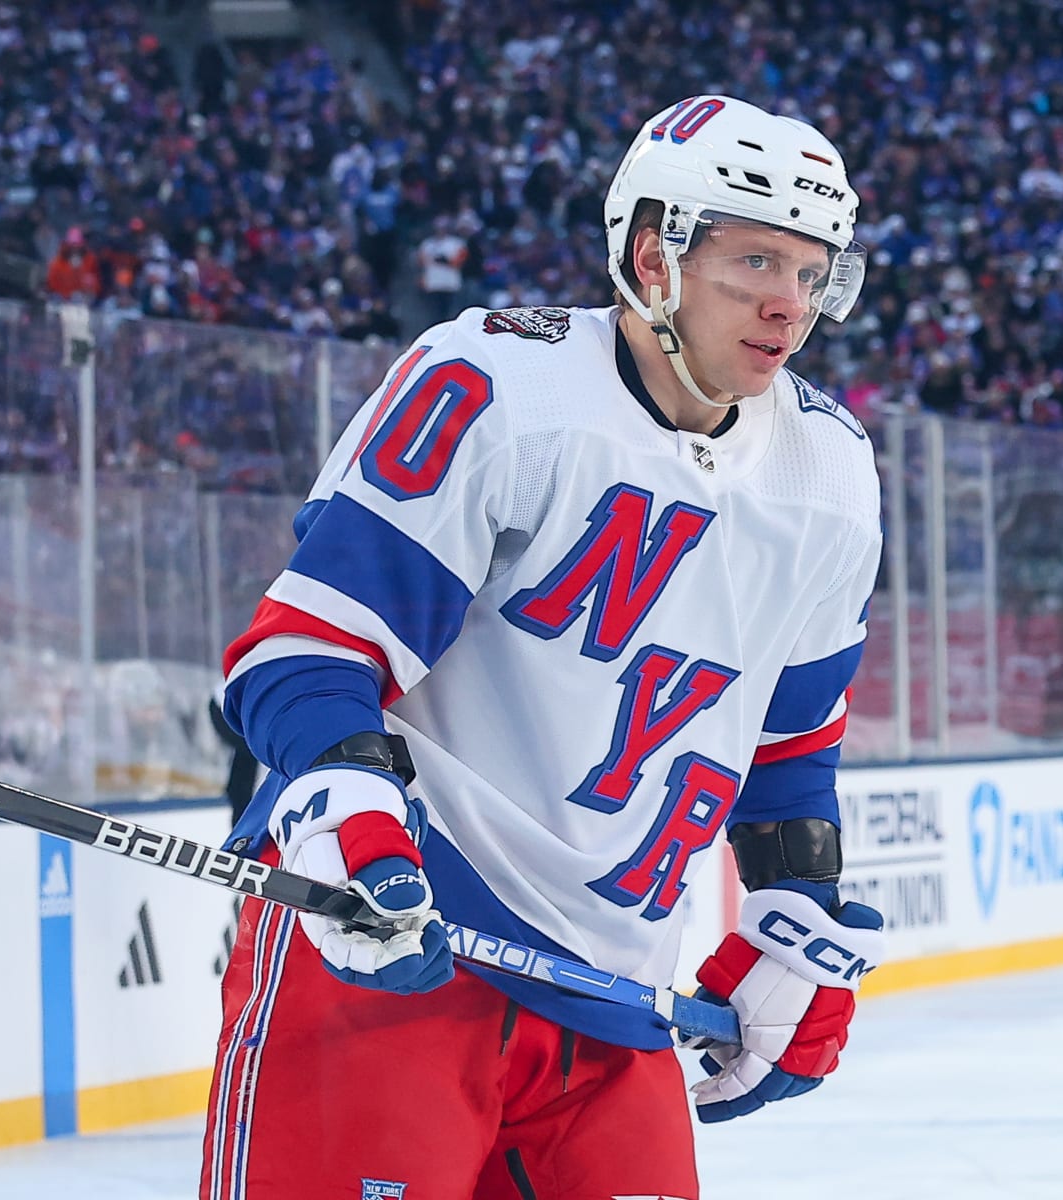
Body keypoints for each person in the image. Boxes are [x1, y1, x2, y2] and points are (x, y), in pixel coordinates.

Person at [207, 95, 887, 1196]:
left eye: (814, 274)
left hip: (616, 995)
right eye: (756, 259)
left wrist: (792, 917)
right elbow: (308, 650)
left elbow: (792, 749)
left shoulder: (831, 473)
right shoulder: (500, 385)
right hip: (396, 942)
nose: (788, 304)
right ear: (653, 251)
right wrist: (343, 800)